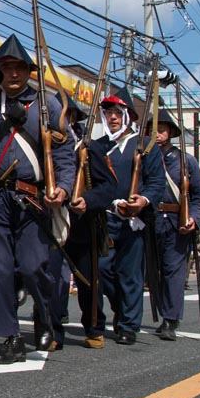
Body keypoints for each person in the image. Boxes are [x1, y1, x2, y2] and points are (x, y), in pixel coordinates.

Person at [0, 34, 75, 363]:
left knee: (35, 267)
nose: (14, 74)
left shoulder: (48, 106)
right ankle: (9, 337)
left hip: (34, 197)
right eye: (7, 68)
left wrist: (62, 187)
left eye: (19, 67)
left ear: (28, 70)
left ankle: (46, 317)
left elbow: (64, 153)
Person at [96, 88, 165, 344]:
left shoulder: (145, 146)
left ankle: (128, 325)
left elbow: (157, 183)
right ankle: (121, 308)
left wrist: (142, 200)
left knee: (130, 273)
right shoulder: (98, 146)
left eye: (117, 112)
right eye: (108, 113)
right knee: (103, 269)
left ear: (129, 116)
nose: (112, 117)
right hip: (106, 217)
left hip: (134, 221)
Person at [54, 96, 117, 349]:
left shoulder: (88, 149)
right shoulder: (41, 145)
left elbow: (109, 186)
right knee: (49, 279)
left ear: (71, 119)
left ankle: (93, 326)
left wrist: (88, 200)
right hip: (49, 219)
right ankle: (51, 330)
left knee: (87, 279)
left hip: (82, 223)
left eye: (64, 115)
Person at [148, 111, 200, 340]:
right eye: (154, 130)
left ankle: (170, 319)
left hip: (175, 223)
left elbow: (199, 198)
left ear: (171, 132)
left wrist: (194, 218)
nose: (159, 134)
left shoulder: (185, 160)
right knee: (152, 271)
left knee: (173, 271)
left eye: (162, 129)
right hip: (150, 220)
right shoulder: (143, 157)